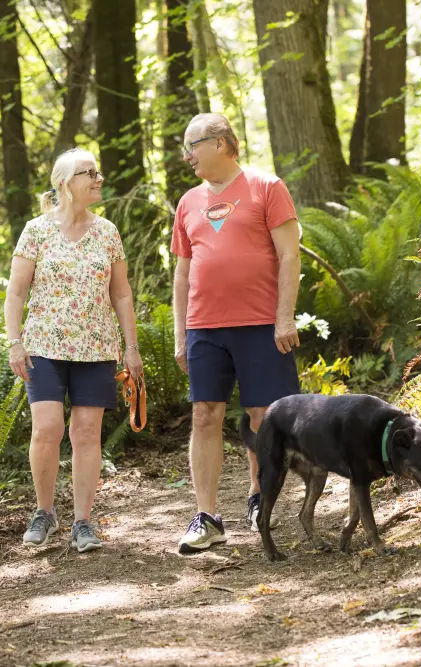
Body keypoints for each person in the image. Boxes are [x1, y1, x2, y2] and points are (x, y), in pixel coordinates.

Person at [171, 113, 302, 554]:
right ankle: (206, 516)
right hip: (205, 327)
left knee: (263, 416)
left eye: (192, 145)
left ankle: (257, 497)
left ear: (223, 143)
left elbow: (289, 256)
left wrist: (285, 317)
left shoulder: (268, 188)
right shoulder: (188, 202)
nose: (186, 155)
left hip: (261, 324)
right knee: (204, 415)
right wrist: (179, 333)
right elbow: (183, 271)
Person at [5, 147, 143, 553]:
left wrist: (131, 348)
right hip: (44, 346)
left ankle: (83, 521)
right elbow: (15, 292)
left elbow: (121, 296)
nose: (98, 179)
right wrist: (15, 342)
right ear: (66, 184)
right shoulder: (36, 230)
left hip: (97, 348)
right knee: (46, 428)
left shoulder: (107, 232)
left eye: (97, 173)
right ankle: (44, 512)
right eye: (90, 173)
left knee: (86, 433)